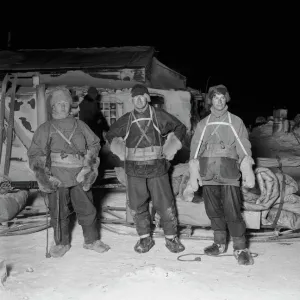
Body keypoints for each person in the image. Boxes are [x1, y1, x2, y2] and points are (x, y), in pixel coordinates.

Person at [27, 87, 110, 258]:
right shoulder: (45, 128)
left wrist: (88, 166)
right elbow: (35, 154)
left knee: (88, 208)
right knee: (58, 211)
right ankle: (61, 243)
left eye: (65, 103)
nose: (63, 106)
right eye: (59, 103)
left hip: (80, 174)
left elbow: (94, 144)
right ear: (53, 107)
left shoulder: (80, 125)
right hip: (56, 175)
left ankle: (92, 240)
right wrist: (45, 176)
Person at [106, 84, 186, 254]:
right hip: (134, 170)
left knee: (165, 203)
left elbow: (180, 127)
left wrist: (170, 148)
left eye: (142, 96)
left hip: (157, 168)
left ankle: (171, 238)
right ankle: (144, 238)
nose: (139, 100)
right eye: (136, 97)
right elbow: (110, 134)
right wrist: (121, 151)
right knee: (137, 205)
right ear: (132, 100)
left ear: (147, 98)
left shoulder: (158, 115)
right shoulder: (126, 119)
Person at [189, 84, 255, 265]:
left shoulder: (236, 122)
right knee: (213, 211)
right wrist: (193, 169)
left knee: (232, 210)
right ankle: (219, 243)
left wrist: (247, 165)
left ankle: (240, 247)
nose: (219, 101)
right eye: (215, 97)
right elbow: (196, 149)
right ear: (210, 100)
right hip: (208, 172)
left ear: (226, 99)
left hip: (229, 172)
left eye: (222, 97)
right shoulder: (203, 124)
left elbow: (243, 146)